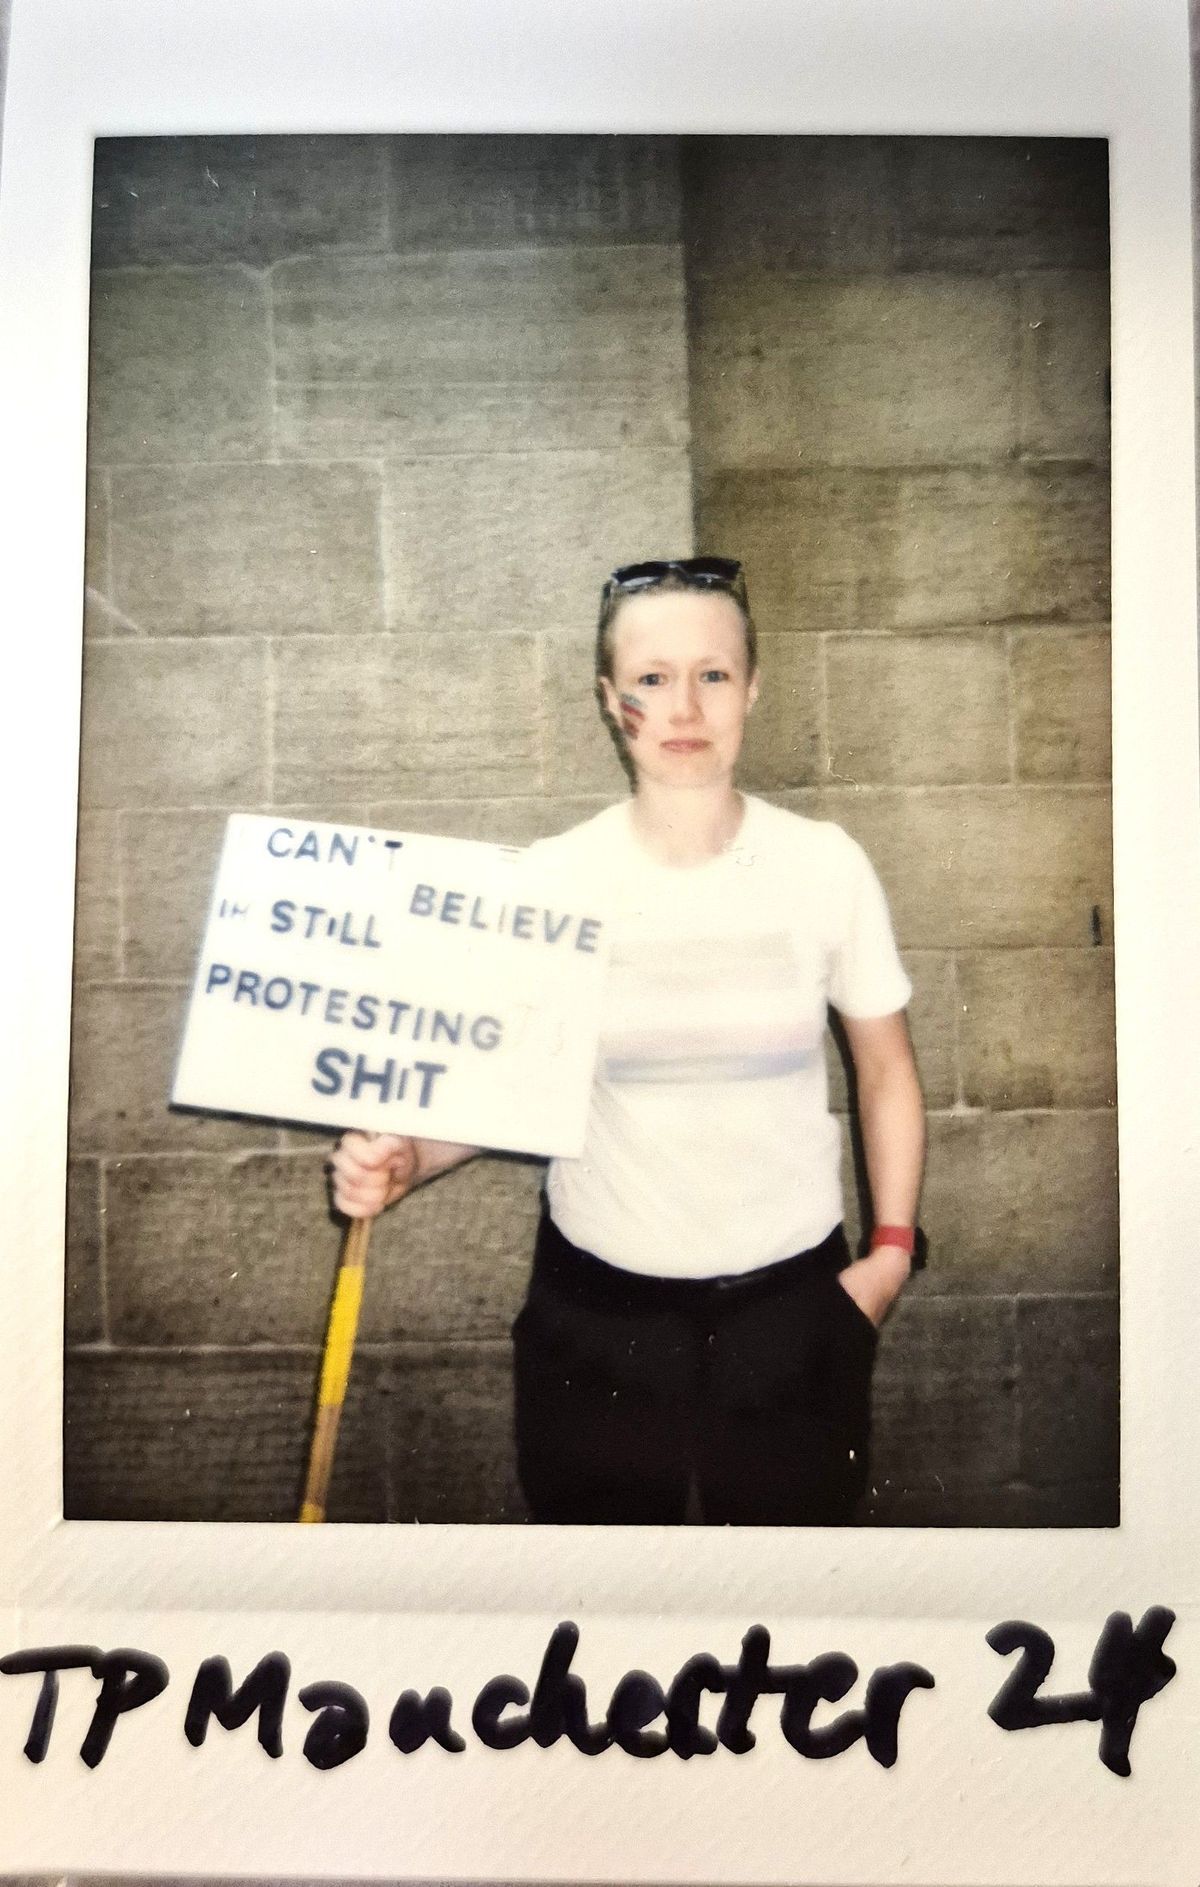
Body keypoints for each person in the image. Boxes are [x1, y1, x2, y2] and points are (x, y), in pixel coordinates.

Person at [331, 556, 926, 1526]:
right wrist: (407, 1159)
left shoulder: (824, 865)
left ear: (753, 688)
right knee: (606, 1603)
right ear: (611, 700)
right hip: (598, 1317)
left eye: (714, 673)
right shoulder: (556, 879)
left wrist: (891, 1255)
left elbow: (886, 1069)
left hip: (793, 1310)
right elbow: (510, 1087)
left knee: (787, 1609)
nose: (684, 705)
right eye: (652, 677)